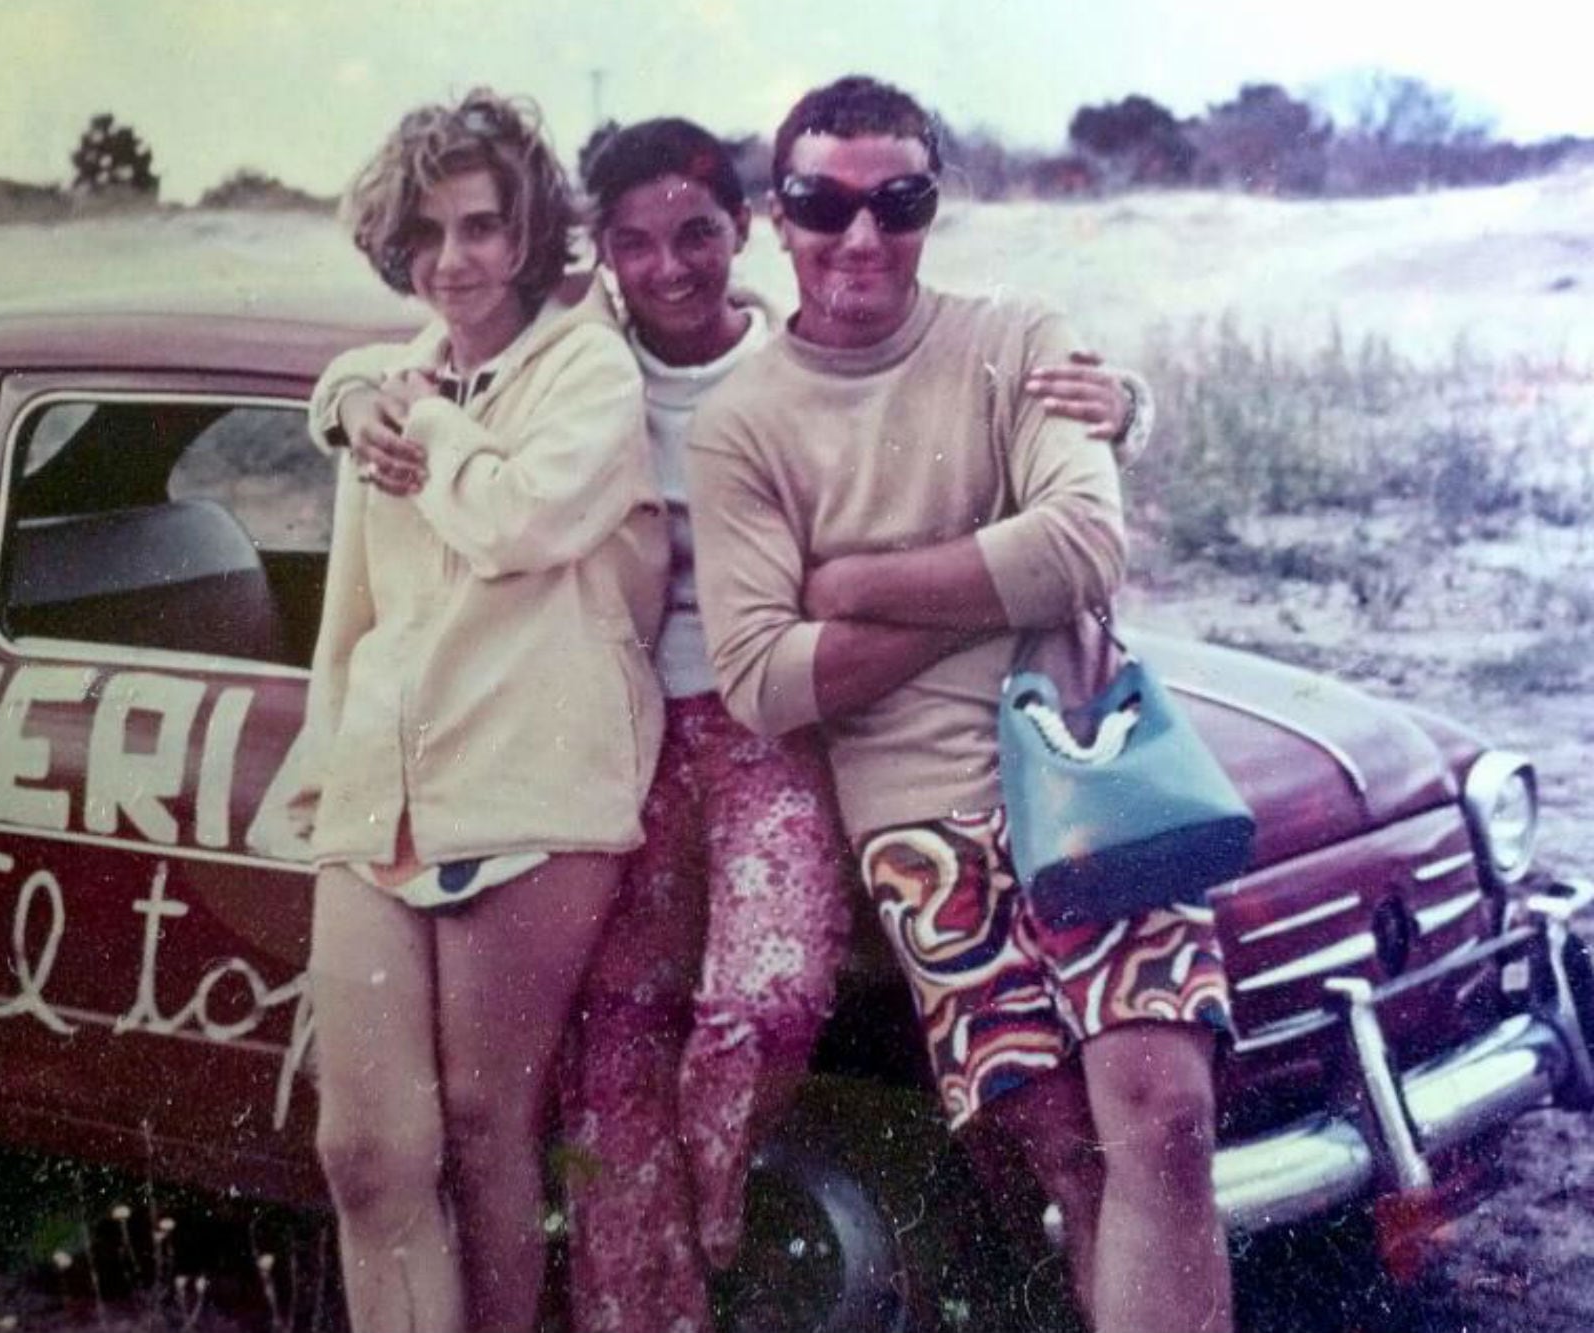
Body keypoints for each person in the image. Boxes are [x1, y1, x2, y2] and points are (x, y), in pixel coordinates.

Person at [688, 76, 1234, 1333]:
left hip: (1088, 771)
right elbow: (762, 676)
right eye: (824, 204)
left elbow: (1086, 543)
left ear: (933, 205)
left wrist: (861, 584)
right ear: (780, 214)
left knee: (1167, 1120)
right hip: (921, 822)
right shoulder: (743, 425)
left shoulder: (1019, 339)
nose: (860, 236)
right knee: (1071, 1157)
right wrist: (996, 568)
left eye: (899, 200)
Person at [256, 89, 667, 1333]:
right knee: (367, 1149)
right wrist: (359, 393)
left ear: (531, 230)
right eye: (426, 234)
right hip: (380, 786)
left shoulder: (588, 367)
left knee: (488, 1130)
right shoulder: (392, 378)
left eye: (482, 227)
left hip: (531, 785)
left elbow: (518, 522)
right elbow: (363, 588)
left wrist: (405, 411)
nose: (453, 260)